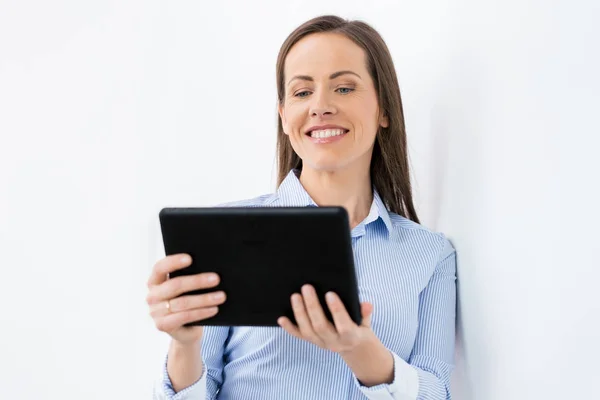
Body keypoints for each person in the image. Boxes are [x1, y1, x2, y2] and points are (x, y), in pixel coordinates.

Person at [148, 14, 457, 400]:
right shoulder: (225, 237)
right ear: (283, 116)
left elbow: (438, 392)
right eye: (301, 92)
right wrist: (184, 344)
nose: (321, 106)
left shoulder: (430, 255)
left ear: (384, 109)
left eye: (344, 88)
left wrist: (361, 351)